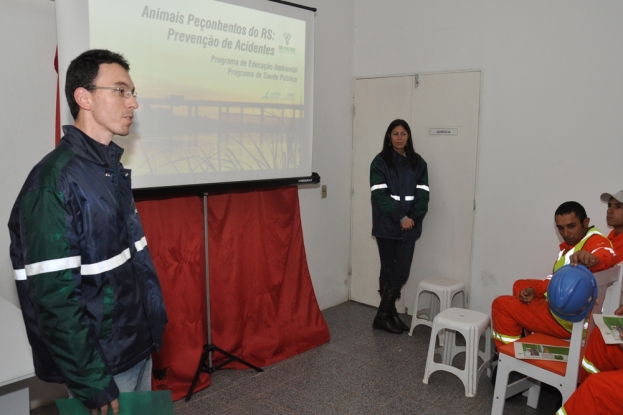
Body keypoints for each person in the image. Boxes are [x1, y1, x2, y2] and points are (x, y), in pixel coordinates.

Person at [8, 49, 167, 415]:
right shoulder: (53, 183)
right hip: (102, 360)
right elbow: (55, 299)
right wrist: (91, 380)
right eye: (121, 91)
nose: (134, 103)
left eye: (133, 92)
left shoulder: (108, 169)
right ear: (84, 97)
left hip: (134, 343)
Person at [491, 201, 616, 352]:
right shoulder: (573, 245)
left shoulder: (596, 242)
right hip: (572, 311)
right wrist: (535, 290)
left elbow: (607, 255)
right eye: (561, 228)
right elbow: (555, 277)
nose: (566, 234)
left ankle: (507, 355)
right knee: (521, 286)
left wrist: (594, 259)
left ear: (585, 222)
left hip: (569, 319)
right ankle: (530, 341)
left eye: (571, 226)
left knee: (501, 305)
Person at [556, 191, 623, 414]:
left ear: (584, 223)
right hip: (603, 314)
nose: (610, 210)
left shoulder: (604, 243)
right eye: (610, 205)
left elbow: (605, 258)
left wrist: (593, 259)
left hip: (593, 312)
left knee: (505, 305)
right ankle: (582, 393)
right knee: (599, 342)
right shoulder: (609, 238)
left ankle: (585, 395)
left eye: (619, 206)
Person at [370, 119, 429, 334]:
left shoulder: (418, 162)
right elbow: (380, 195)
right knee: (388, 269)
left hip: (409, 226)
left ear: (408, 136)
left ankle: (385, 313)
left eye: (403, 133)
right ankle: (387, 314)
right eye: (395, 133)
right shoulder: (380, 162)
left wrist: (412, 218)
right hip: (387, 226)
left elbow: (423, 195)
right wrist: (400, 217)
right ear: (389, 136)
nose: (399, 137)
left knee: (401, 271)